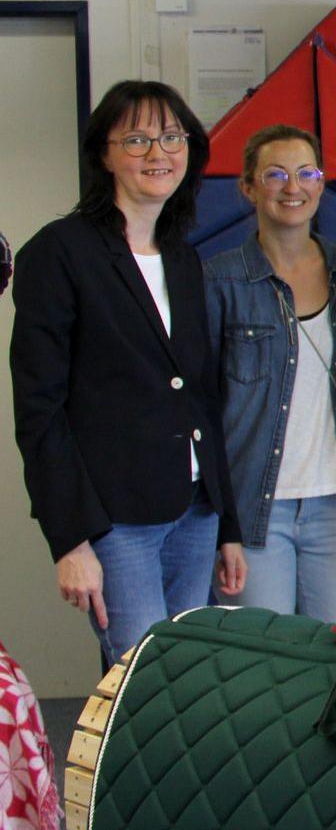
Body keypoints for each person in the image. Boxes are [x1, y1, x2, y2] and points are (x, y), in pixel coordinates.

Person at [12, 80, 246, 667]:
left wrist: (226, 525)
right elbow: (38, 410)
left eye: (171, 137)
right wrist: (69, 539)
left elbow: (202, 398)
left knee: (185, 680)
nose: (157, 153)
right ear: (105, 154)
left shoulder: (185, 259)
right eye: (137, 139)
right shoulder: (60, 252)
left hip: (195, 510)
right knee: (140, 686)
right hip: (116, 521)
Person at [206, 124, 336, 621]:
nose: (292, 187)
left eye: (306, 173)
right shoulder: (219, 280)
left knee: (335, 662)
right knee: (261, 666)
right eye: (275, 174)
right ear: (248, 187)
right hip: (256, 511)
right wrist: (221, 524)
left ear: (321, 185)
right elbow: (202, 410)